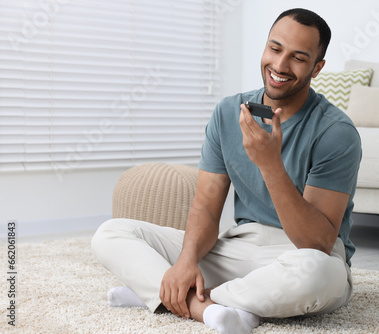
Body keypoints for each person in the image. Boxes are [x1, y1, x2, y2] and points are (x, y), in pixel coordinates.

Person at [92, 8, 362, 334]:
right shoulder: (227, 113)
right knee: (112, 233)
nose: (279, 65)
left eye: (298, 58)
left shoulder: (336, 132)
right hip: (238, 248)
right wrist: (186, 262)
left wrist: (270, 164)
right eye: (275, 49)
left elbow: (316, 242)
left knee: (318, 276)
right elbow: (206, 207)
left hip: (301, 255)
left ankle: (167, 296)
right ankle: (209, 303)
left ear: (317, 68)